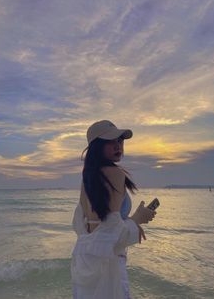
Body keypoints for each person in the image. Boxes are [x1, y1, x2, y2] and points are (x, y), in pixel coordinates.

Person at [71, 120, 157, 299]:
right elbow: (110, 237)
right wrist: (137, 219)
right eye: (111, 141)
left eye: (120, 140)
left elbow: (91, 227)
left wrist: (127, 222)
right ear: (97, 146)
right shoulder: (115, 174)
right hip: (106, 266)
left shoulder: (88, 177)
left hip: (85, 259)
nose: (118, 145)